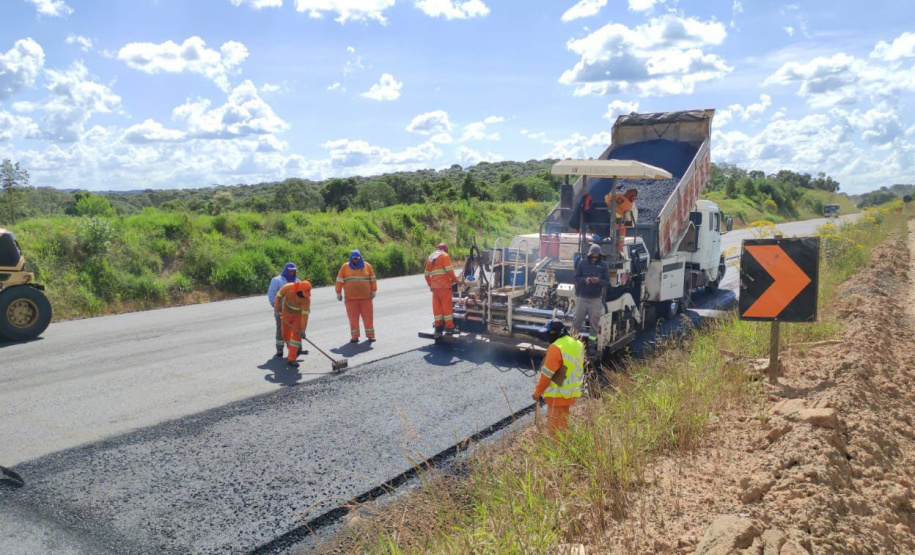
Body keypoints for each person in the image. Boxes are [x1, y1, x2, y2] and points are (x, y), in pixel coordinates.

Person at [532, 319, 585, 436]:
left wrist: (537, 392)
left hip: (557, 395)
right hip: (571, 392)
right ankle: (565, 446)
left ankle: (558, 447)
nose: (547, 336)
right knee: (563, 427)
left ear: (556, 333)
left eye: (548, 333)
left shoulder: (556, 347)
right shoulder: (577, 344)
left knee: (555, 432)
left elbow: (546, 375)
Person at [335, 249, 377, 343]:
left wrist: (373, 290)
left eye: (357, 258)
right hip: (351, 299)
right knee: (353, 318)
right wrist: (338, 292)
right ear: (351, 258)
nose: (356, 260)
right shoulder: (345, 267)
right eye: (354, 259)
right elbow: (339, 280)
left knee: (368, 317)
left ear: (360, 257)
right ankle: (355, 336)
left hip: (366, 298)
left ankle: (370, 335)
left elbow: (373, 279)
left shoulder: (367, 266)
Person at [572, 243, 609, 343]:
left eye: (596, 257)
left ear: (599, 256)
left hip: (595, 299)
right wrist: (585, 280)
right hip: (582, 298)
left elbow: (606, 281)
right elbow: (576, 277)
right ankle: (573, 342)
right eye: (593, 256)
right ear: (589, 255)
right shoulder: (582, 264)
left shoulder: (604, 265)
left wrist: (599, 281)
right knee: (577, 320)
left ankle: (592, 344)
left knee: (594, 323)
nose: (594, 258)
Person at [424, 242, 460, 338]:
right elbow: (449, 271)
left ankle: (438, 326)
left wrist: (430, 285)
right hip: (444, 287)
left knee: (437, 308)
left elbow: (426, 274)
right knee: (447, 307)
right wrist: (456, 281)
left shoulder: (431, 257)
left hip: (435, 288)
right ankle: (449, 327)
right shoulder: (445, 256)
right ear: (446, 250)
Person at [274, 280, 312, 368]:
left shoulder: (306, 300)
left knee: (296, 337)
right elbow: (278, 296)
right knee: (285, 335)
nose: (304, 296)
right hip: (286, 314)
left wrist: (303, 330)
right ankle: (293, 350)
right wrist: (276, 309)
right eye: (303, 293)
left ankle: (291, 358)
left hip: (298, 317)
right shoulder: (288, 287)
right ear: (299, 290)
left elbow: (305, 316)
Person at [267, 262, 299, 357]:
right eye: (290, 271)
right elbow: (271, 293)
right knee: (280, 329)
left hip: (293, 310)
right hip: (280, 309)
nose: (291, 273)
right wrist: (275, 306)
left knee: (295, 330)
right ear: (286, 270)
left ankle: (295, 349)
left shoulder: (297, 281)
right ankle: (280, 349)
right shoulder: (277, 280)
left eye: (293, 271)